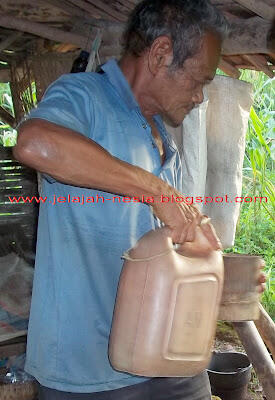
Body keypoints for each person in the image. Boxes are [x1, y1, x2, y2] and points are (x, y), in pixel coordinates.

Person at [13, 0, 266, 399]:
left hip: (169, 357)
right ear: (161, 53)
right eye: (199, 80)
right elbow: (34, 144)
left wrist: (218, 277)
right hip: (89, 374)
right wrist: (157, 190)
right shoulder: (83, 97)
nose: (200, 97)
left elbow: (160, 256)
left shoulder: (167, 145)